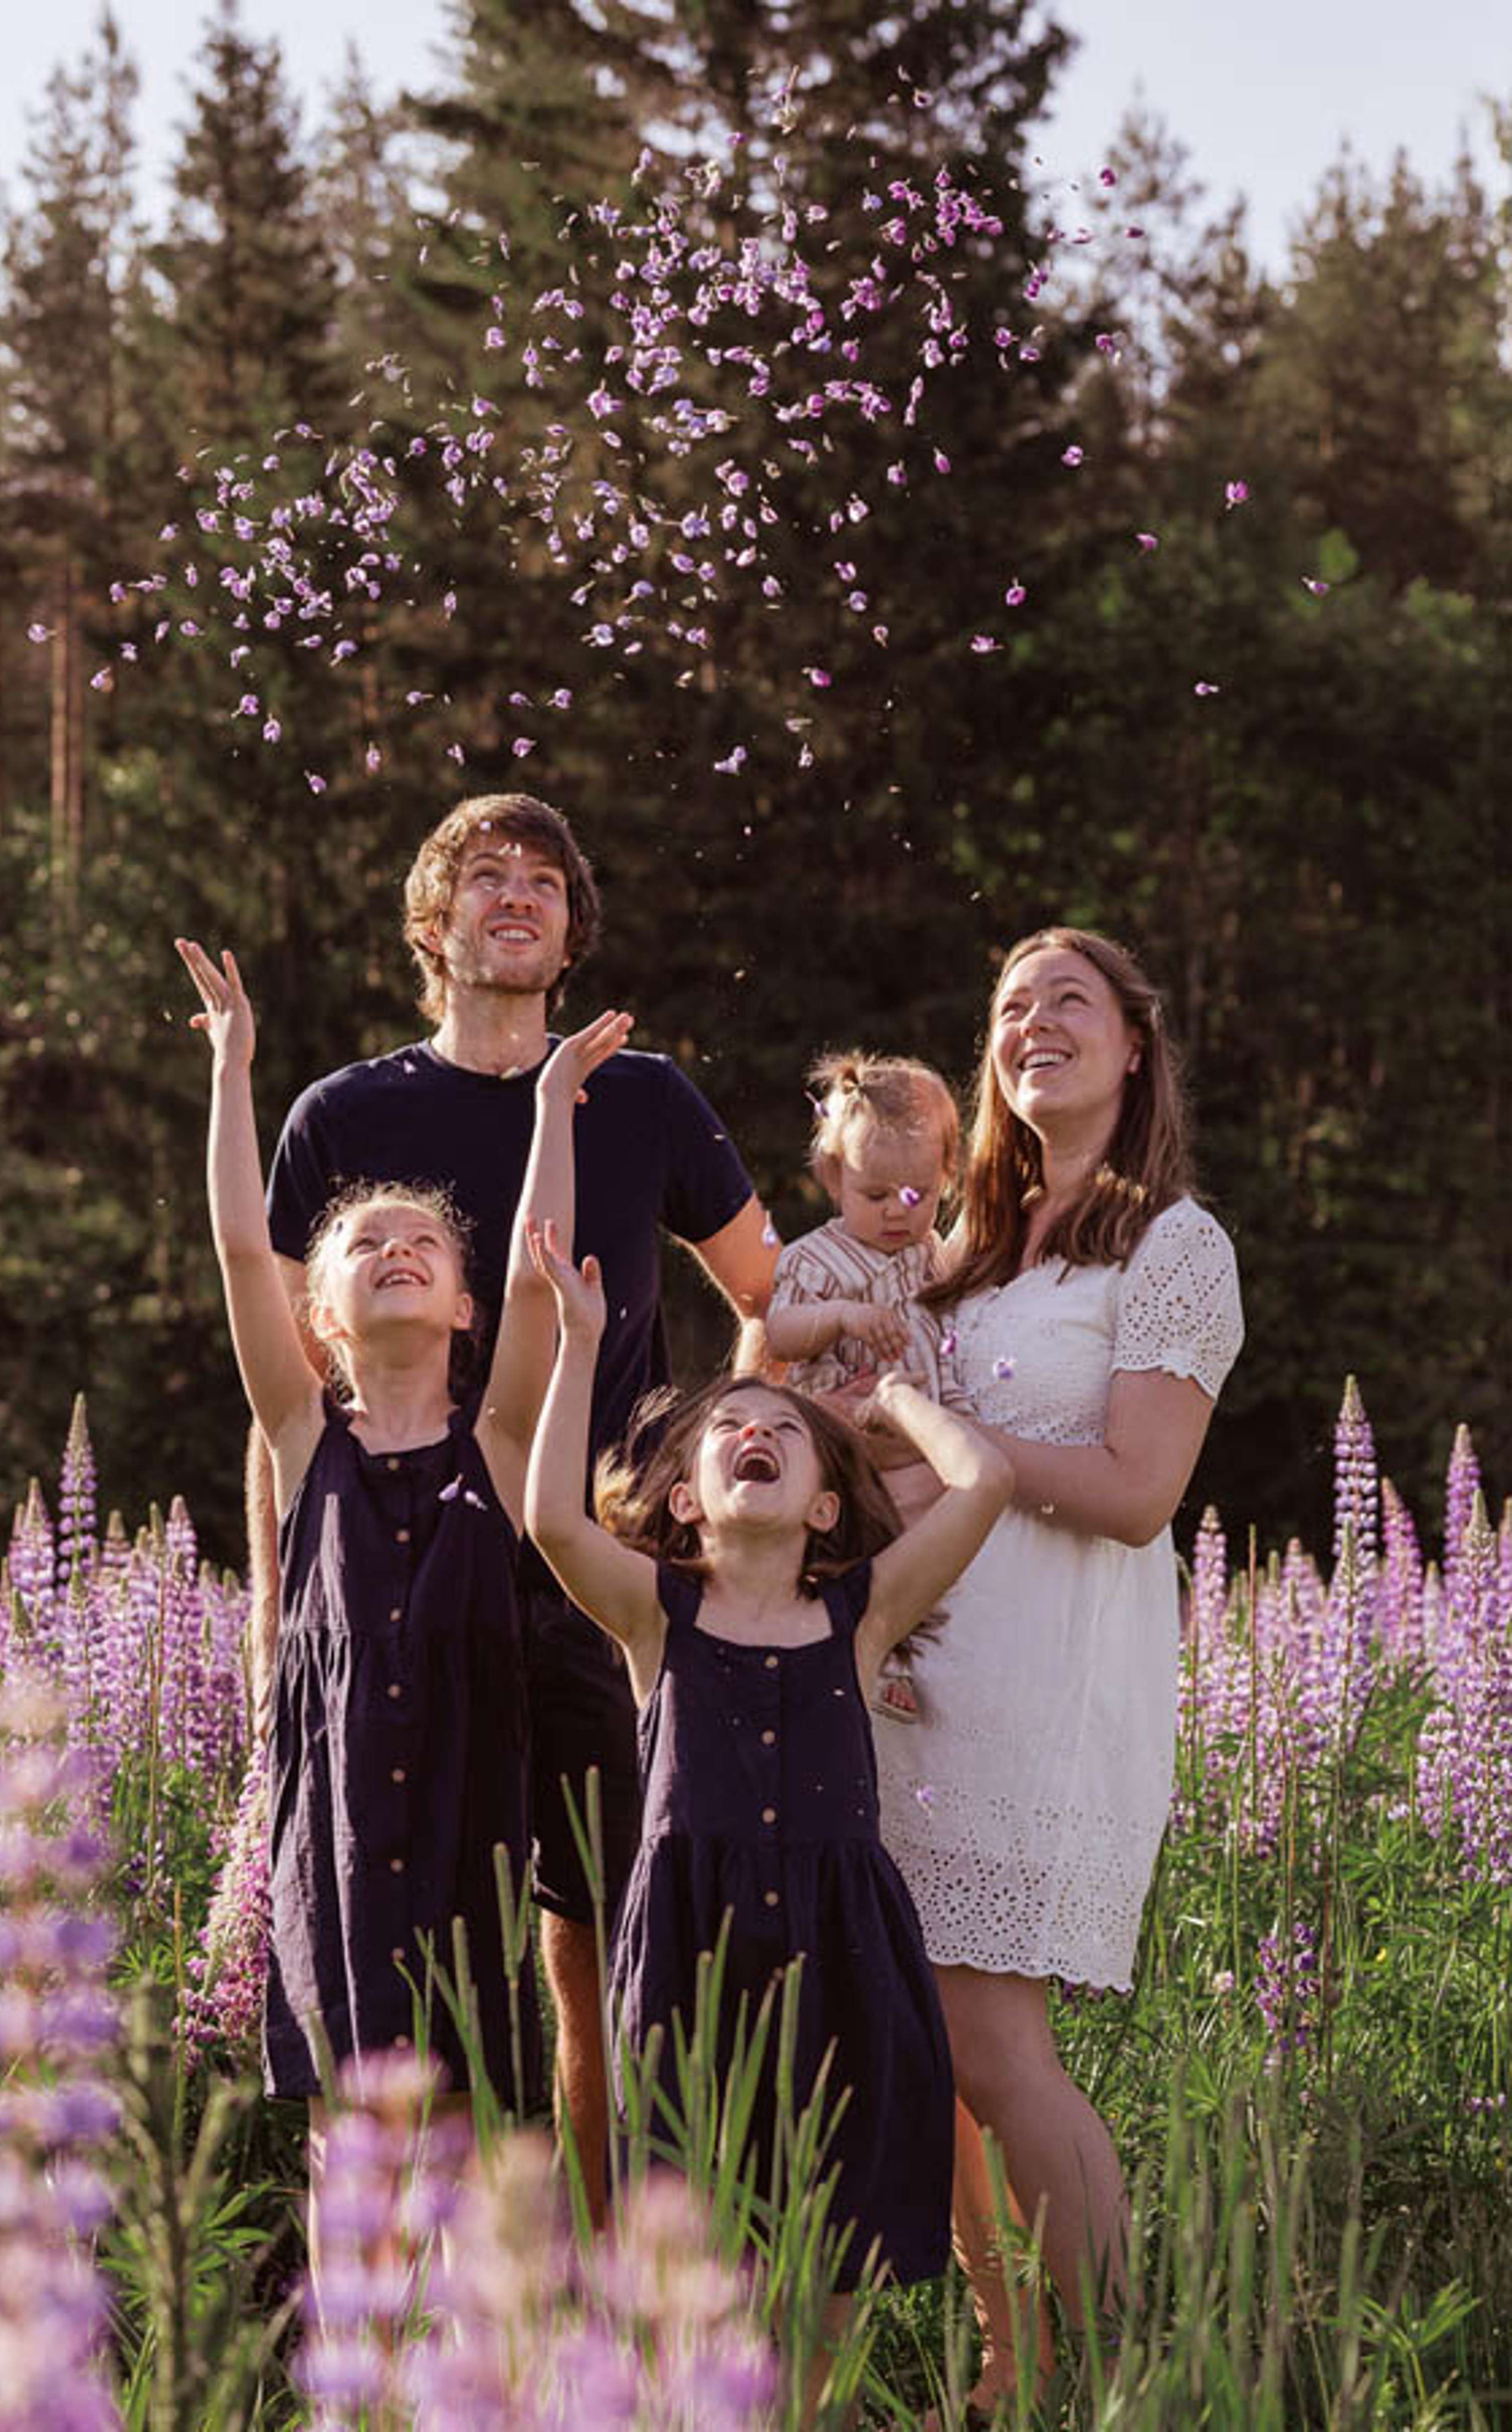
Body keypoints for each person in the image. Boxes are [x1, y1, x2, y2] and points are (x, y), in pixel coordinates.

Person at [255, 793, 781, 2211]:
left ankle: (622, 2264)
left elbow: (771, 1303)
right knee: (430, 1932)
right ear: (434, 924)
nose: (518, 896)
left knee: (613, 1938)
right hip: (412, 1599)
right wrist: (280, 1640)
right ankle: (464, 2289)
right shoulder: (343, 1118)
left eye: (545, 880)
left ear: (571, 931)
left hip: (610, 1582)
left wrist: (717, 1485)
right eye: (485, 876)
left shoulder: (649, 1098)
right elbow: (294, 1408)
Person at [523, 1210, 1013, 2407]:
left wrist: (890, 1398)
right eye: (730, 1428)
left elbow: (985, 1477)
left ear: (827, 1509)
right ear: (685, 1503)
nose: (752, 1430)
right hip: (694, 1966)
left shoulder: (862, 1615)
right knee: (706, 2271)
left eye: (783, 1431)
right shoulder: (657, 1618)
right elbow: (548, 1519)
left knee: (830, 2267)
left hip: (842, 1959)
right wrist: (579, 1341)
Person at [176, 931, 630, 2176]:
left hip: (466, 1832)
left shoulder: (496, 1444)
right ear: (323, 1316)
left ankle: (490, 2356)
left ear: (462, 1306)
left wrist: (549, 1104)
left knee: (473, 2117)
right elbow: (232, 1247)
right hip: (330, 1835)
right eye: (364, 1245)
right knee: (350, 2131)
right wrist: (231, 1071)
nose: (395, 1249)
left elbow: (542, 1284)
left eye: (421, 1244)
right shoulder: (301, 1429)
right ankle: (362, 2368)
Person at [873, 927, 1245, 2407]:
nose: (1036, 1023)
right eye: (1013, 1005)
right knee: (935, 2039)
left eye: (1070, 1001)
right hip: (921, 1680)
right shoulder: (957, 1252)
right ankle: (1002, 2364)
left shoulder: (1175, 1246)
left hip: (1047, 1684)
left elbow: (1141, 1487)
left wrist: (942, 1439)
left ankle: (1096, 2371)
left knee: (991, 2036)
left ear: (1135, 1047)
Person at [764, 1048, 961, 1722]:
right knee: (851, 1551)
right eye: (874, 1196)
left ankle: (907, 1658)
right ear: (832, 1177)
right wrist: (842, 1315)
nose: (897, 1214)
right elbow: (781, 1333)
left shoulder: (933, 1255)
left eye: (919, 1195)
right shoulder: (816, 1257)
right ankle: (866, 1663)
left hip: (924, 1439)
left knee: (928, 1551)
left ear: (947, 1178)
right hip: (847, 1443)